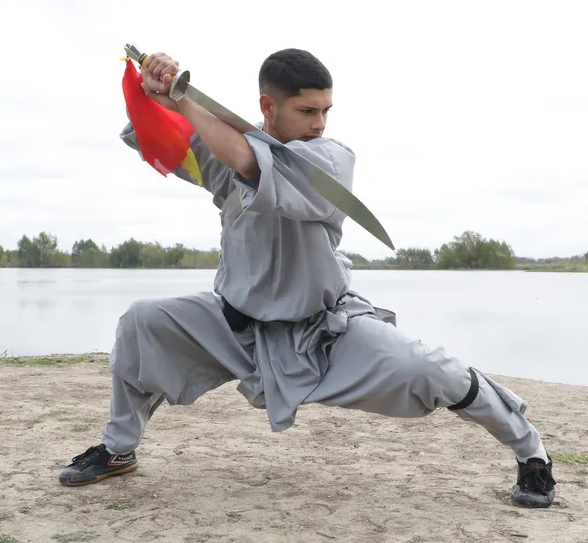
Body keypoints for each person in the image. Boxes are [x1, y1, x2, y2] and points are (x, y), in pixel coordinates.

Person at [58, 48, 557, 508]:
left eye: (326, 110)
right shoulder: (220, 145)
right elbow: (158, 135)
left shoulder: (330, 159)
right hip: (234, 327)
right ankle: (118, 449)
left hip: (325, 332)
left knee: (432, 369)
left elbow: (248, 159)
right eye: (307, 111)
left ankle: (531, 452)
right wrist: (155, 89)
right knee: (142, 323)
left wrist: (185, 100)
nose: (320, 123)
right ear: (268, 106)